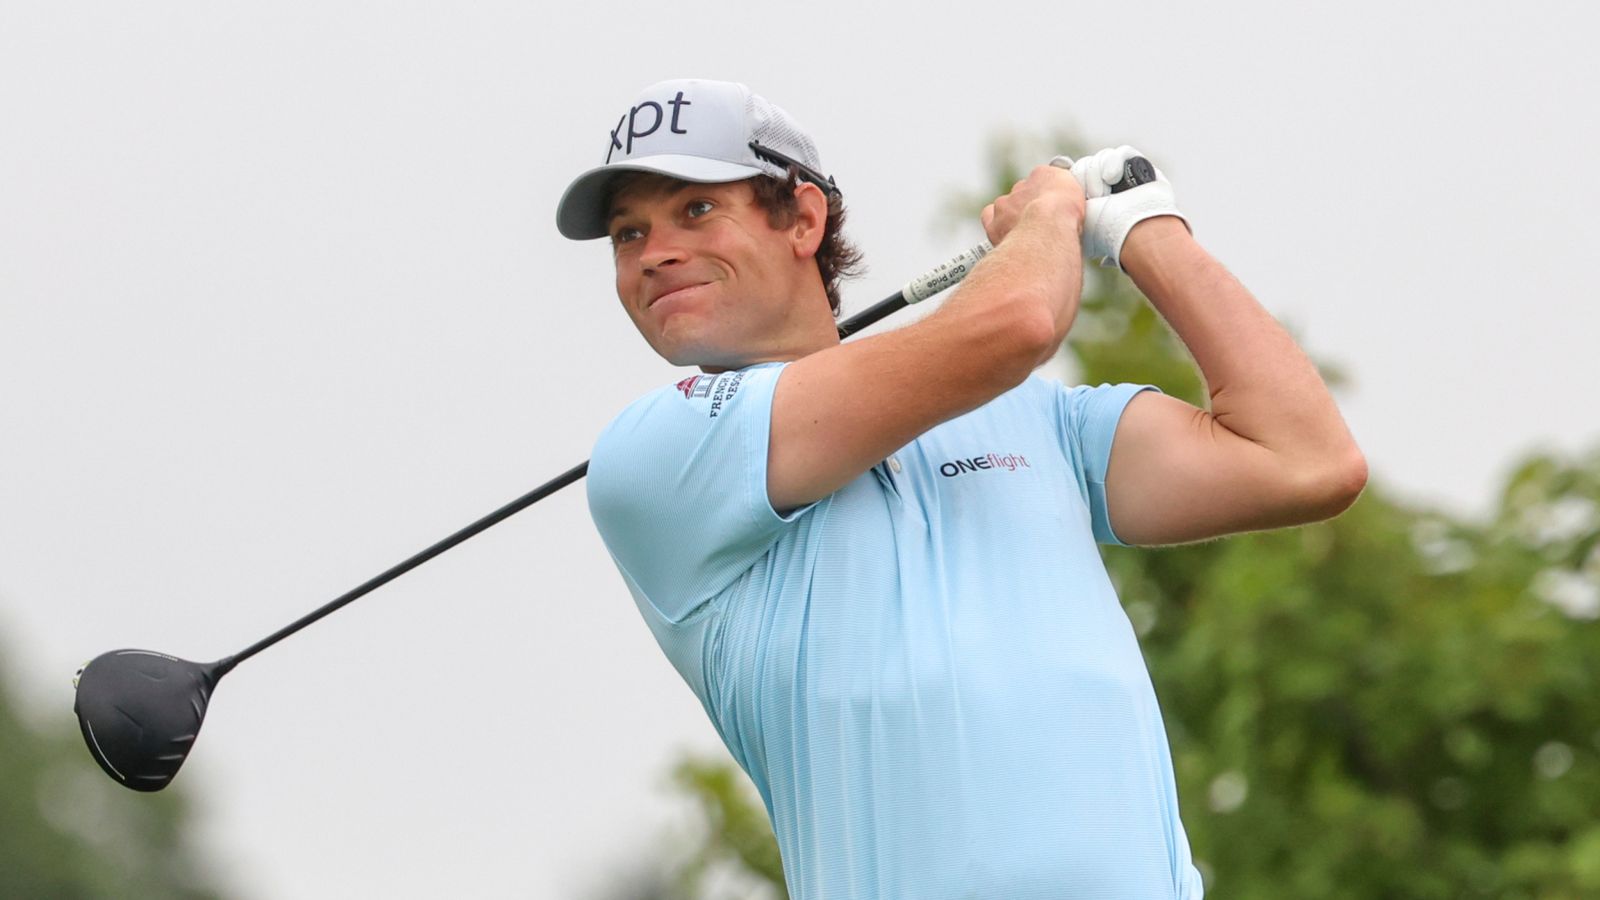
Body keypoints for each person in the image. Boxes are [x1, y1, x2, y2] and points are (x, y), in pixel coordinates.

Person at [558, 78, 1366, 900]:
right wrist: (1051, 213)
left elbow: (1305, 461)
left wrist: (1142, 227)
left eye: (695, 211)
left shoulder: (1035, 421)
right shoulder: (655, 457)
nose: (653, 252)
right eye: (628, 233)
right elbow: (1015, 325)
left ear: (802, 218)